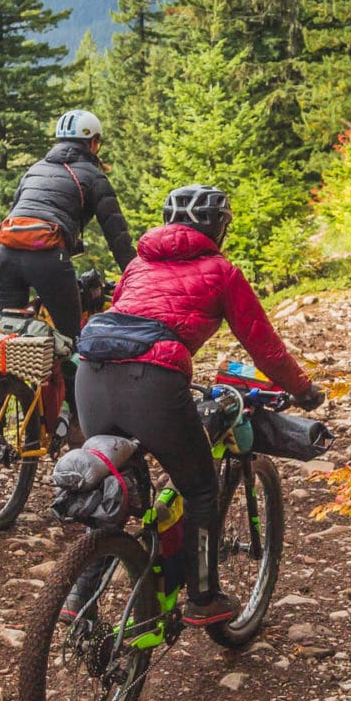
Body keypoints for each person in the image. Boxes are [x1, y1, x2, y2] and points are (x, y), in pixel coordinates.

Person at [74, 183, 325, 627]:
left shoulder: (137, 265)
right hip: (153, 380)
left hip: (90, 372)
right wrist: (303, 390)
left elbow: (125, 319)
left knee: (115, 489)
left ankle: (80, 594)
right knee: (200, 488)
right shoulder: (221, 270)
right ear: (218, 226)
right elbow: (263, 346)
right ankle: (203, 597)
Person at [0, 109, 135, 338]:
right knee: (70, 337)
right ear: (94, 142)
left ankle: (0, 375)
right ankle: (70, 374)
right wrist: (137, 276)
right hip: (47, 258)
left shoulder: (34, 169)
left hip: (5, 257)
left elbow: (13, 215)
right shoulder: (93, 176)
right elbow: (117, 236)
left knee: (7, 335)